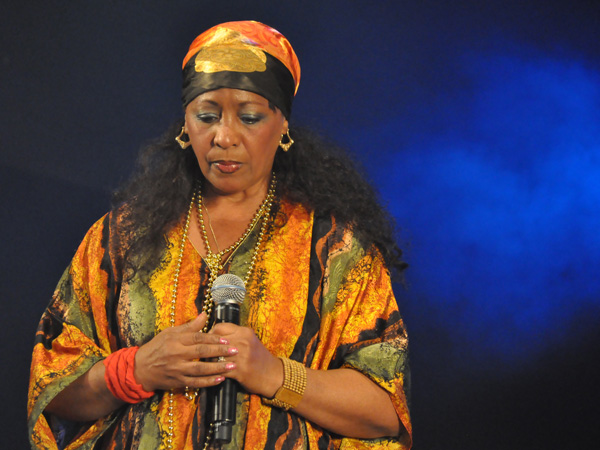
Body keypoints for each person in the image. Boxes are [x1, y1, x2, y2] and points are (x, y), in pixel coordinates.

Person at [28, 20, 412, 449]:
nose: (224, 137)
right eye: (207, 116)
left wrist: (275, 375)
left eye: (249, 117)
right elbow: (53, 390)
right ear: (185, 125)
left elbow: (385, 411)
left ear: (282, 124)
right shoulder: (121, 237)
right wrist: (135, 370)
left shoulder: (336, 249)